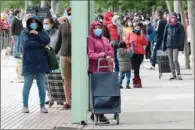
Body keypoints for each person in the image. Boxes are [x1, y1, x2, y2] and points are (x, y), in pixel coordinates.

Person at [20, 15, 50, 113]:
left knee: (41, 85)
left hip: (41, 63)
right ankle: (25, 106)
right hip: (28, 63)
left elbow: (47, 40)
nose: (33, 24)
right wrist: (40, 44)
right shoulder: (24, 33)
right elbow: (26, 44)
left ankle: (42, 106)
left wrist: (37, 34)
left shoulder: (42, 32)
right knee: (27, 85)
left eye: (35, 22)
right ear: (28, 23)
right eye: (31, 22)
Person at [87, 21, 114, 124]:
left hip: (106, 69)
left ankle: (100, 113)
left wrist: (107, 54)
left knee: (105, 92)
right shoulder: (90, 39)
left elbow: (111, 51)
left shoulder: (105, 39)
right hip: (95, 70)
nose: (98, 29)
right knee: (97, 92)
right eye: (95, 28)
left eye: (99, 27)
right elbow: (91, 54)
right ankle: (98, 113)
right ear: (92, 29)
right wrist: (103, 55)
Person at [55, 12, 72, 110]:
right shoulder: (62, 26)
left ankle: (76, 99)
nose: (70, 15)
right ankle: (67, 102)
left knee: (75, 80)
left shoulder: (80, 25)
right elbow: (58, 41)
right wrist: (53, 53)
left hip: (76, 56)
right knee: (66, 80)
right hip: (64, 55)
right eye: (68, 14)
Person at [162, 13, 185, 80]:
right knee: (170, 60)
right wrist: (163, 46)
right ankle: (173, 74)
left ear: (176, 18)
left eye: (173, 17)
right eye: (171, 17)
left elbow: (182, 37)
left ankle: (178, 74)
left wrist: (180, 46)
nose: (172, 18)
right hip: (169, 45)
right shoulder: (167, 26)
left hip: (176, 46)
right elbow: (165, 36)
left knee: (175, 60)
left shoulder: (180, 26)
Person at [125, 23, 148, 88]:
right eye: (136, 28)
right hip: (133, 53)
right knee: (136, 68)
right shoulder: (130, 34)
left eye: (138, 28)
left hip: (140, 53)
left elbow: (145, 43)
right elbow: (125, 42)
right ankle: (137, 81)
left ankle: (136, 81)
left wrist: (142, 36)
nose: (137, 29)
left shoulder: (141, 35)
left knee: (137, 68)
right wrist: (129, 42)